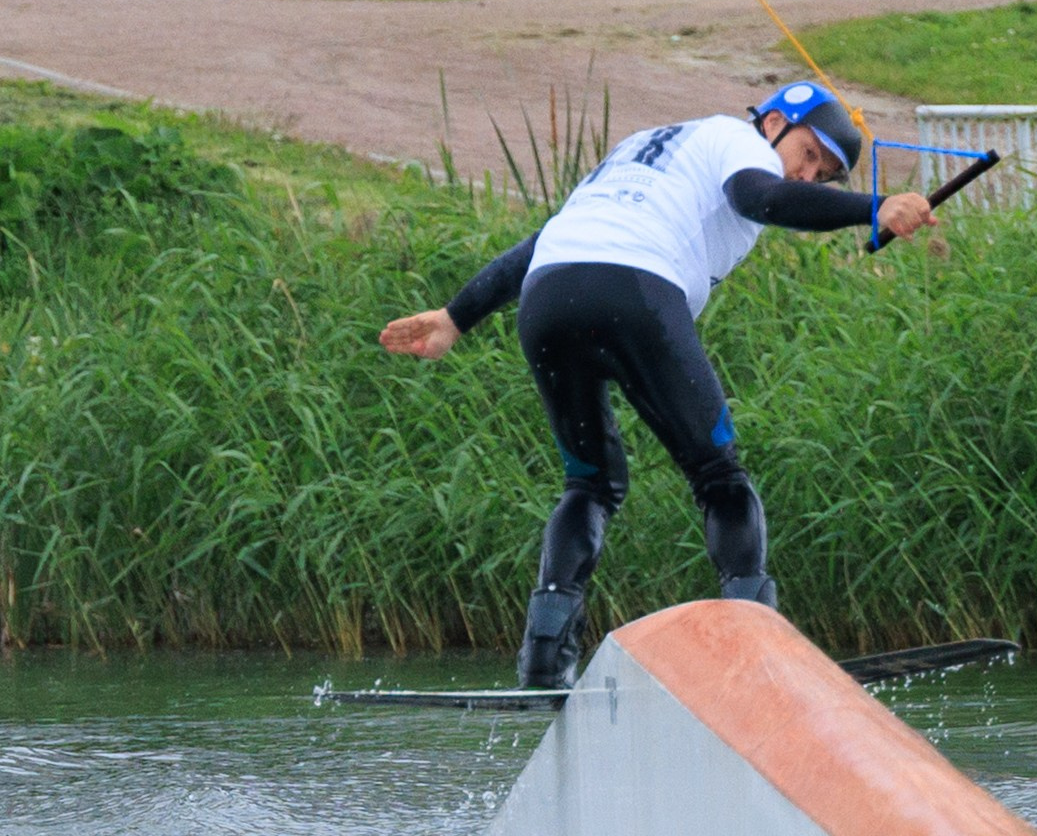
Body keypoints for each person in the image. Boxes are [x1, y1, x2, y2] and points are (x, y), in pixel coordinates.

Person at [378, 83, 937, 686]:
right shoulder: (734, 140)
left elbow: (544, 242)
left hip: (548, 298)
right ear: (773, 122)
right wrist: (871, 207)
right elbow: (761, 198)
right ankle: (758, 651)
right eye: (807, 155)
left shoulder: (644, 149)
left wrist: (456, 316)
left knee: (590, 482)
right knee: (720, 477)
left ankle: (543, 659)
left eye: (823, 174)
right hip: (637, 293)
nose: (807, 176)